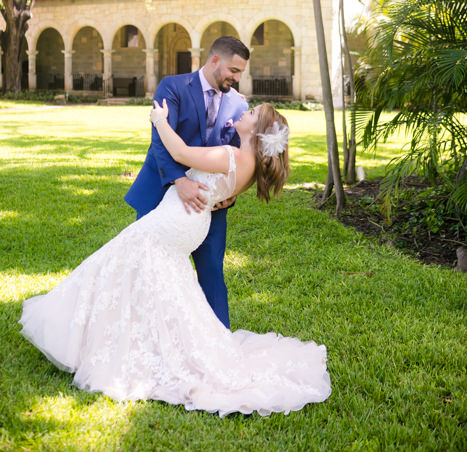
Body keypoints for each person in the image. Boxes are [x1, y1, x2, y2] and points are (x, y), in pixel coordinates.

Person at [19, 101, 331, 416]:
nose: (245, 112)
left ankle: (93, 338)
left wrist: (160, 120)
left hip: (176, 222)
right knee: (158, 282)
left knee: (115, 261)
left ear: (257, 130)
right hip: (189, 221)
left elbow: (180, 153)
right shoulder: (248, 165)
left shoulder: (232, 155)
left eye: (252, 114)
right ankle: (139, 339)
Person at [124, 35, 250, 329]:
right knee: (150, 271)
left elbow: (239, 157)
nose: (237, 78)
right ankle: (148, 335)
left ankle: (221, 341)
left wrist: (232, 194)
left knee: (212, 274)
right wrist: (179, 180)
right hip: (161, 195)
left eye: (241, 72)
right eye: (234, 70)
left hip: (208, 206)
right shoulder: (174, 86)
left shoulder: (238, 104)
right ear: (214, 60)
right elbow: (160, 142)